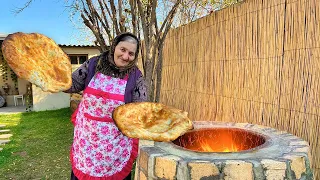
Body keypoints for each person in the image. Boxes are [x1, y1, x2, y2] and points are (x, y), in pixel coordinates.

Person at [64, 32, 147, 180]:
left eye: (131, 53)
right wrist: (55, 81)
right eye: (123, 50)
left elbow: (140, 109)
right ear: (114, 47)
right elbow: (73, 84)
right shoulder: (93, 65)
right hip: (87, 140)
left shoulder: (136, 77)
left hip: (116, 145)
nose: (126, 56)